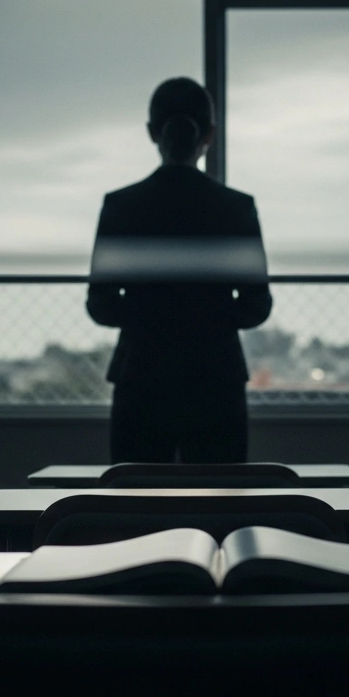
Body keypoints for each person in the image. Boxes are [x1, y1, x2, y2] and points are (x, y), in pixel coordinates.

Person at [87, 77, 272, 464]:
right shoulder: (235, 208)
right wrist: (207, 318)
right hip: (216, 378)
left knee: (135, 511)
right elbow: (257, 306)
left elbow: (100, 305)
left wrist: (151, 317)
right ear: (209, 135)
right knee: (222, 509)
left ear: (153, 133)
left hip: (140, 375)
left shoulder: (121, 207)